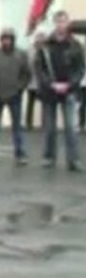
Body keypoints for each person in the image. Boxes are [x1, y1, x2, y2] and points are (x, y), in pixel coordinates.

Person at [35, 11, 86, 171]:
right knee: (49, 127)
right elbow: (39, 69)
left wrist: (69, 85)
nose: (61, 25)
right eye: (58, 22)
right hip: (50, 92)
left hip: (69, 91)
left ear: (68, 23)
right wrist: (51, 84)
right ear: (54, 23)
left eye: (63, 21)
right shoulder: (45, 46)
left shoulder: (76, 45)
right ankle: (49, 157)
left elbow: (81, 69)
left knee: (71, 127)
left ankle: (74, 160)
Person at [0, 28, 31, 164]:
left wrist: (20, 87)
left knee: (17, 126)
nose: (7, 41)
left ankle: (19, 153)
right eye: (4, 39)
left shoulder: (21, 55)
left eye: (9, 39)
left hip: (15, 95)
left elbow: (27, 74)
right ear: (1, 40)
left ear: (13, 40)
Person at [26, 33, 46, 131]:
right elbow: (27, 64)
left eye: (42, 38)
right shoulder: (30, 50)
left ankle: (44, 124)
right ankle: (28, 123)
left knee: (45, 104)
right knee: (30, 103)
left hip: (43, 82)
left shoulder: (46, 49)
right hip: (31, 81)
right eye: (39, 38)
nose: (40, 40)